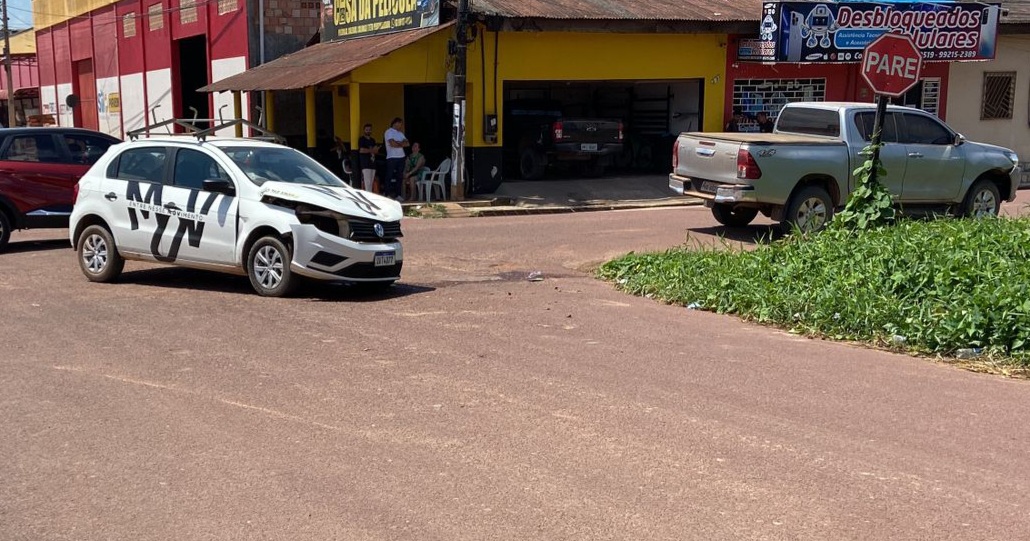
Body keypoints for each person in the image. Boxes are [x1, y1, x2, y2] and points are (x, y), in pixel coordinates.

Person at [384, 117, 409, 201]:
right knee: (389, 175)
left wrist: (398, 143)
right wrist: (401, 143)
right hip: (392, 157)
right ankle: (387, 193)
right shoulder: (389, 132)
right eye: (400, 124)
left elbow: (407, 143)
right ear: (395, 123)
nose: (401, 126)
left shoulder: (400, 133)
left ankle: (398, 194)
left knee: (399, 176)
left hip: (401, 157)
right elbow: (392, 143)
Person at [358, 123, 380, 192]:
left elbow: (376, 150)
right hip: (365, 164)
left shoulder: (373, 140)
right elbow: (361, 150)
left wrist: (373, 150)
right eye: (367, 130)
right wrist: (372, 150)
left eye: (370, 130)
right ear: (364, 130)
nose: (368, 131)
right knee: (367, 183)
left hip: (372, 163)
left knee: (371, 182)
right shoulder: (361, 139)